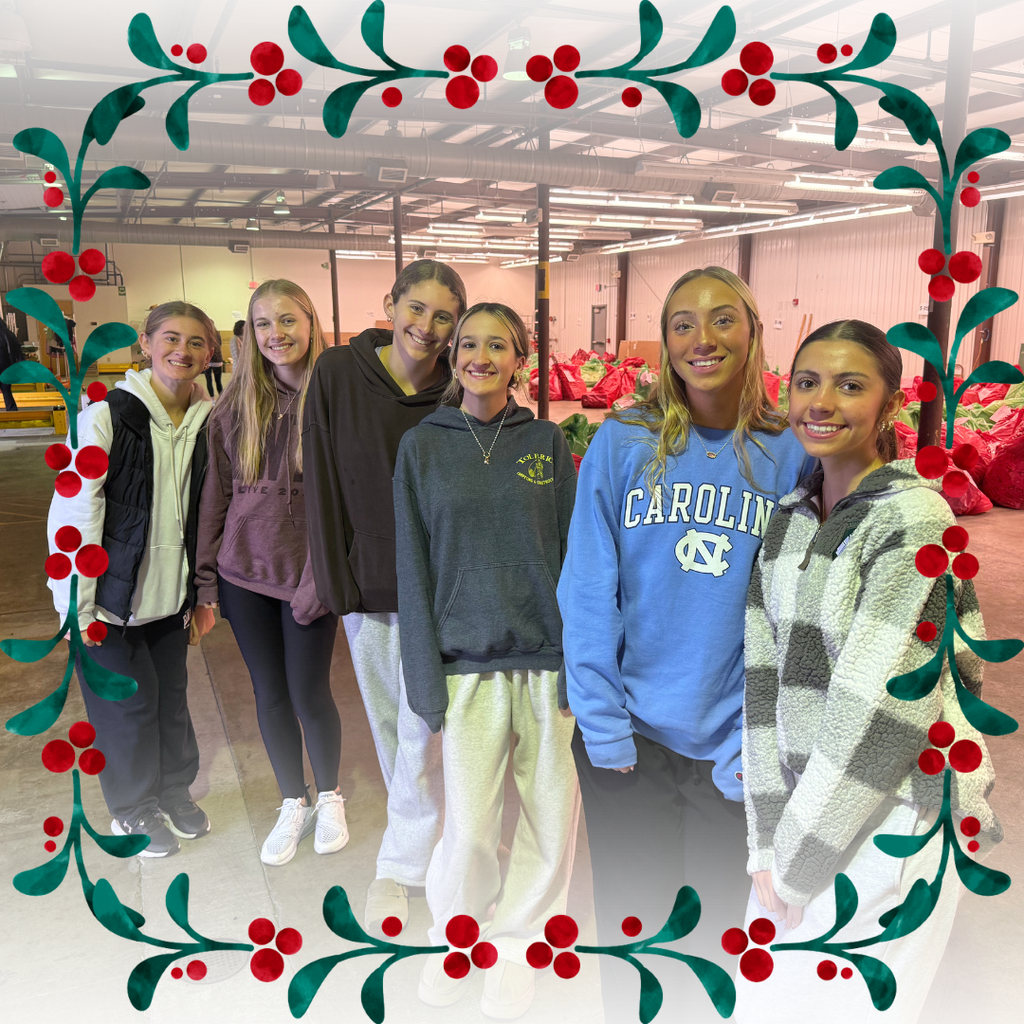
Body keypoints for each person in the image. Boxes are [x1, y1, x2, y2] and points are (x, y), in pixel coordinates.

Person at [557, 266, 815, 1023]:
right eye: (682, 324)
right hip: (628, 738)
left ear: (753, 330)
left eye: (722, 320)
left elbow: (800, 615)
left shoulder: (788, 454)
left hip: (730, 751)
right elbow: (586, 587)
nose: (703, 339)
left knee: (709, 944)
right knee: (633, 934)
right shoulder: (622, 442)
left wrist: (759, 742)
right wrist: (601, 719)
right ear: (665, 344)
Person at [736, 320, 1001, 1023]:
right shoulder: (790, 517)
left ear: (890, 405)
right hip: (806, 816)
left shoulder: (914, 523)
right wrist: (765, 837)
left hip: (899, 819)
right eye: (806, 382)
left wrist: (793, 862)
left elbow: (882, 717)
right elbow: (761, 683)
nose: (820, 403)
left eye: (850, 385)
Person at [394, 303, 579, 1018]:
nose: (478, 356)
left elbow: (573, 558)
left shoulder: (547, 443)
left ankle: (515, 942)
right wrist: (424, 680)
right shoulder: (422, 447)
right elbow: (412, 568)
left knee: (548, 819)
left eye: (495, 346)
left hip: (547, 662)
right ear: (453, 356)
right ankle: (457, 937)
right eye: (467, 344)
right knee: (468, 829)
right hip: (463, 666)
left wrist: (579, 664)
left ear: (519, 359)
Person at [302, 259, 467, 931]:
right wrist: (335, 579)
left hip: (444, 586)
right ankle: (416, 855)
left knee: (430, 725)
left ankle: (408, 862)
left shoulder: (458, 388)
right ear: (391, 303)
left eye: (443, 317)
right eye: (416, 308)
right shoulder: (339, 375)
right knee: (393, 724)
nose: (426, 327)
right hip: (368, 583)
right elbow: (321, 478)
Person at [46, 302, 218, 857]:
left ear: (210, 354)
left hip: (169, 600)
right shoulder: (105, 415)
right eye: (170, 338)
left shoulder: (207, 420)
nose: (182, 351)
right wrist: (77, 602)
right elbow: (75, 512)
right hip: (108, 604)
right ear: (145, 344)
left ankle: (171, 791)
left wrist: (201, 596)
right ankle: (131, 809)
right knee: (127, 708)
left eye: (196, 342)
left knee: (170, 701)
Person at [195, 280, 347, 867]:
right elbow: (215, 499)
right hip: (244, 576)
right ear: (249, 335)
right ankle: (294, 800)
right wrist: (208, 581)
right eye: (263, 324)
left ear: (310, 324)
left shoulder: (333, 401)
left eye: (288, 321)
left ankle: (329, 794)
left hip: (311, 574)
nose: (276, 335)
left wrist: (326, 574)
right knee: (271, 694)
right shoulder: (234, 408)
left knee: (310, 692)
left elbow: (348, 500)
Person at [0, 318, 23, 411]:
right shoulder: (9, 335)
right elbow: (18, 351)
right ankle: (12, 412)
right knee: (7, 393)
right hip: (6, 367)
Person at [203, 332, 225, 398]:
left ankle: (212, 399)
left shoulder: (205, 334)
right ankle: (222, 397)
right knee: (218, 381)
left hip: (208, 360)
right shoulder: (217, 333)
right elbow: (220, 344)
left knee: (209, 380)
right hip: (218, 360)